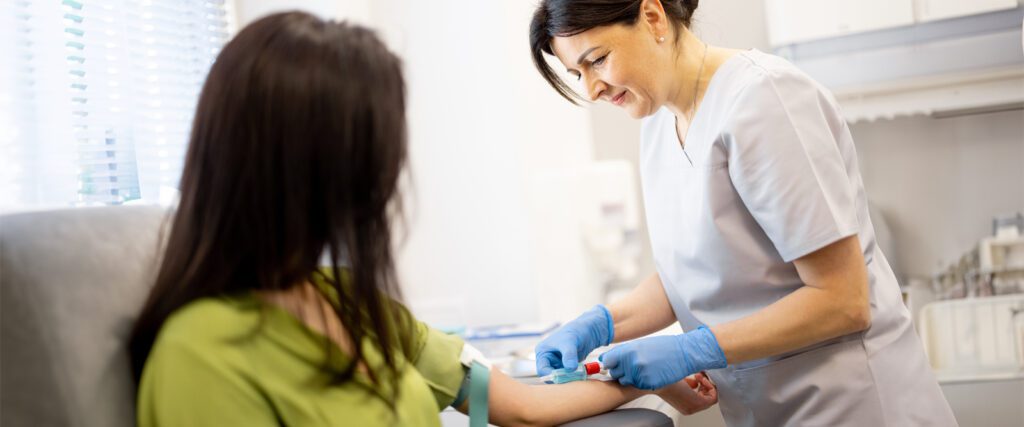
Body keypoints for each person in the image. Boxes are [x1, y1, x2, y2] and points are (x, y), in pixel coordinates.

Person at [128, 11, 716, 426]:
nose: (389, 174)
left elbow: (515, 407)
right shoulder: (200, 357)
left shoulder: (350, 305)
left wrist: (641, 375)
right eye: (376, 147)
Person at [528, 0, 959, 425]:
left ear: (653, 16)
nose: (591, 90)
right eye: (576, 74)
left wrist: (691, 350)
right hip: (766, 407)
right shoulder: (659, 124)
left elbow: (843, 300)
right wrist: (602, 325)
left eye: (598, 60)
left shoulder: (764, 100)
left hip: (853, 404)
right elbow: (695, 271)